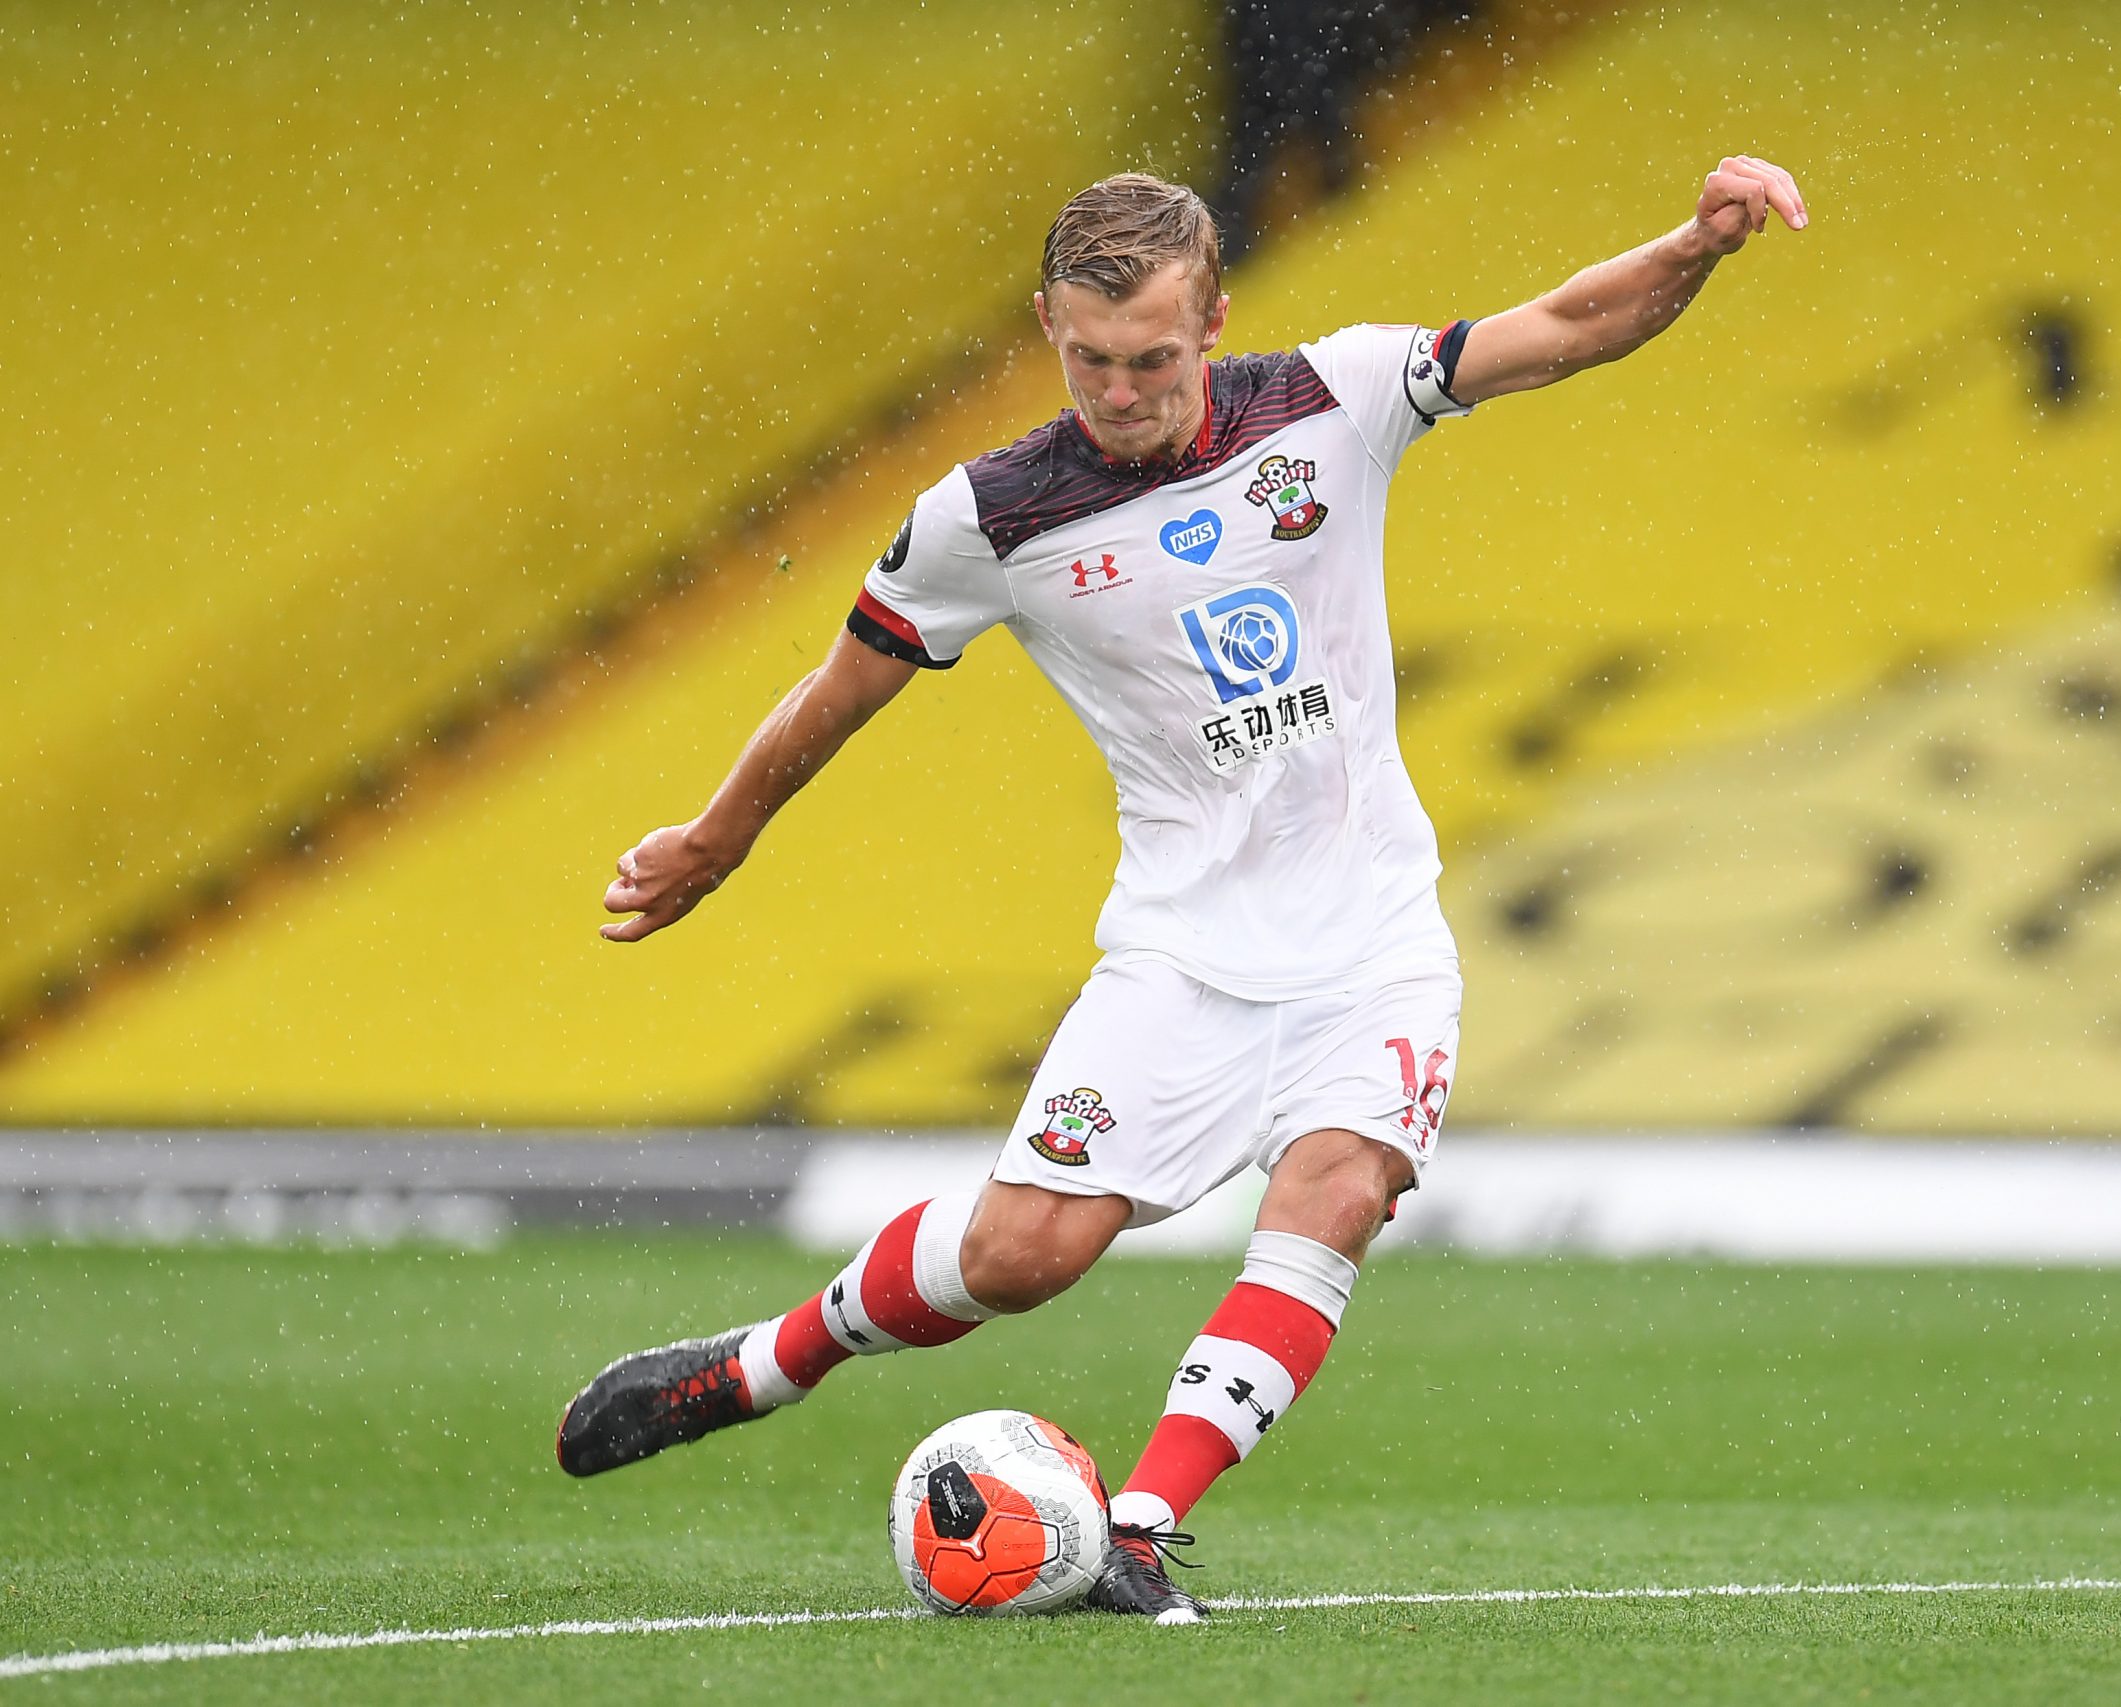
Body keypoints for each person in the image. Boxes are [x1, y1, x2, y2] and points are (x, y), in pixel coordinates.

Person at [557, 158, 1808, 1623]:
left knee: (1338, 1189)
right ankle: (758, 1368)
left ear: (1214, 315)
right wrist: (718, 838)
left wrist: (1697, 244)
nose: (1123, 392)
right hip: (1181, 957)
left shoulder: (1338, 400)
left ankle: (1138, 1525)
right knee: (1026, 1258)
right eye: (1090, 360)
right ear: (1047, 327)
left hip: (1372, 946)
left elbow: (1568, 323)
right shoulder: (990, 518)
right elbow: (839, 693)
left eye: (1154, 358)